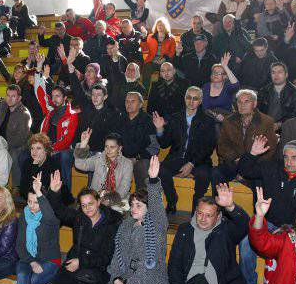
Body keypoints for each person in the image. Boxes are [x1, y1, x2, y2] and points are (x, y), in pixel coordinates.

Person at [87, 156, 168, 284]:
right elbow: (117, 257)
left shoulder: (157, 225)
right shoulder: (126, 226)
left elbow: (157, 206)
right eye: (132, 204)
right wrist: (115, 278)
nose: (133, 208)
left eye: (139, 205)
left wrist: (153, 180)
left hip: (148, 280)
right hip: (124, 277)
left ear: (149, 208)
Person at [238, 137, 296, 284]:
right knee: (246, 244)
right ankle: (248, 283)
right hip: (268, 222)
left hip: (294, 227)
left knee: (292, 250)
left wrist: (290, 229)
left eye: (294, 157)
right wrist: (252, 154)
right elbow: (245, 170)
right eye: (286, 157)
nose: (289, 161)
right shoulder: (272, 168)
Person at [10, 173, 61, 284]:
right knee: (23, 277)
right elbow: (19, 245)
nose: (32, 206)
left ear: (43, 201)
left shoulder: (51, 218)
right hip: (27, 259)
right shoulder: (24, 216)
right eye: (29, 202)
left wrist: (40, 193)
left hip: (49, 261)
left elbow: (48, 215)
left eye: (36, 202)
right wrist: (31, 262)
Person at [154, 85, 214, 214]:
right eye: (188, 97)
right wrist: (159, 129)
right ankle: (171, 200)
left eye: (195, 98)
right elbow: (164, 144)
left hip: (199, 160)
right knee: (160, 169)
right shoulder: (175, 118)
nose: (191, 101)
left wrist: (192, 163)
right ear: (184, 98)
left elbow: (208, 148)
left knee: (203, 175)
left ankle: (196, 208)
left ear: (201, 101)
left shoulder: (207, 120)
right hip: (177, 157)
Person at [215, 89, 278, 185]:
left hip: (255, 165)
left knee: (259, 180)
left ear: (255, 103)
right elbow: (222, 146)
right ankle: (219, 200)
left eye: (246, 101)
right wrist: (237, 161)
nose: (242, 105)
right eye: (239, 102)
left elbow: (270, 149)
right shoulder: (228, 121)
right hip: (234, 163)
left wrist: (248, 163)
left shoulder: (266, 121)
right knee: (216, 173)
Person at [0, 73, 31, 191]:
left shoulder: (25, 114)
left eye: (13, 96)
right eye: (8, 95)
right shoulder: (3, 105)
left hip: (18, 146)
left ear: (19, 98)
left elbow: (20, 140)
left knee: (12, 154)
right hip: (0, 143)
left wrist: (1, 146)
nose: (10, 98)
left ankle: (17, 188)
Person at [116, 91, 158, 191]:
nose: (129, 104)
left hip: (141, 158)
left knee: (143, 167)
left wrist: (137, 157)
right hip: (123, 157)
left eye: (132, 101)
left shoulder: (148, 121)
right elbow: (115, 140)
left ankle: (141, 201)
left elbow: (154, 147)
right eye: (126, 101)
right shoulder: (120, 119)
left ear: (140, 104)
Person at [40, 86, 79, 193]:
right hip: (49, 149)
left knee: (64, 156)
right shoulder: (50, 114)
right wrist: (44, 148)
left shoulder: (72, 115)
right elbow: (43, 133)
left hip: (64, 149)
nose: (55, 99)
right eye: (53, 96)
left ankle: (66, 195)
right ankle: (40, 191)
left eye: (58, 96)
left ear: (65, 97)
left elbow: (67, 139)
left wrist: (52, 149)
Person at [74, 131, 133, 200]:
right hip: (96, 198)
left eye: (112, 147)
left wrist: (108, 198)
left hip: (117, 199)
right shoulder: (99, 158)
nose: (108, 150)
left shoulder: (127, 164)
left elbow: (124, 188)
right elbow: (79, 165)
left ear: (119, 148)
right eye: (106, 146)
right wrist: (83, 145)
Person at [257, 61, 296, 129]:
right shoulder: (263, 91)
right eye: (273, 72)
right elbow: (258, 111)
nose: (276, 75)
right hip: (265, 125)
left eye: (280, 72)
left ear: (286, 75)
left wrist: (279, 125)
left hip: (286, 127)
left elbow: (295, 115)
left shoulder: (295, 93)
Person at [202, 59, 240, 136]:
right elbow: (204, 107)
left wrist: (225, 67)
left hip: (225, 122)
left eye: (219, 73)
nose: (216, 74)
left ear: (225, 76)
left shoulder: (227, 87)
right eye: (214, 72)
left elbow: (236, 85)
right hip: (207, 120)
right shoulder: (206, 86)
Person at [140, 17, 176, 88]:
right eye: (158, 25)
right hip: (152, 61)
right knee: (146, 68)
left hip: (164, 61)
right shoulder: (150, 37)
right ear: (156, 27)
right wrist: (144, 38)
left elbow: (172, 52)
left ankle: (161, 91)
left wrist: (164, 59)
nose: (160, 26)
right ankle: (144, 92)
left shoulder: (171, 38)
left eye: (162, 25)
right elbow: (144, 49)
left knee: (164, 71)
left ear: (165, 27)